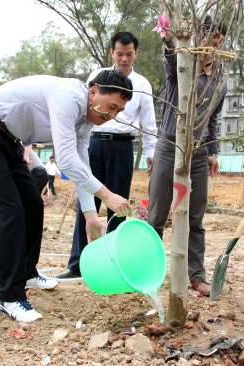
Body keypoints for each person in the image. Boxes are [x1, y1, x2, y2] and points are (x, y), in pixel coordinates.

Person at [0, 70, 134, 322]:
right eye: (112, 107)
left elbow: (80, 162)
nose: (112, 116)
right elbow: (65, 160)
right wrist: (106, 194)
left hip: (9, 140)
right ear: (94, 91)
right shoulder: (69, 98)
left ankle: (27, 273)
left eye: (118, 112)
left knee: (32, 206)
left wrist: (91, 215)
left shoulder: (87, 118)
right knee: (7, 212)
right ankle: (8, 295)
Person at [57, 31, 158, 279]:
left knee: (118, 205)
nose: (124, 59)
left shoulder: (143, 85)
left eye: (129, 54)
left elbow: (149, 123)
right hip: (93, 142)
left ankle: (114, 263)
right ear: (112, 52)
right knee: (87, 201)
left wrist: (151, 152)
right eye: (119, 54)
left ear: (136, 54)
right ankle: (77, 264)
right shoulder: (96, 77)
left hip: (122, 147)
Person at [147, 16, 227, 296]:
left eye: (217, 40)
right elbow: (169, 54)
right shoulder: (180, 67)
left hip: (199, 151)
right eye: (207, 37)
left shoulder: (219, 80)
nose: (211, 44)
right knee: (157, 214)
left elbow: (214, 118)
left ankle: (196, 276)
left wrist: (213, 151)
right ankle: (147, 271)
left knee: (196, 217)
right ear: (197, 37)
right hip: (169, 147)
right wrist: (167, 33)